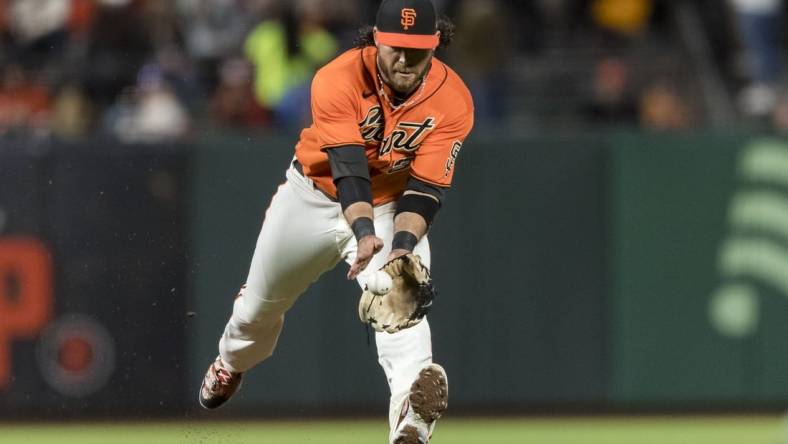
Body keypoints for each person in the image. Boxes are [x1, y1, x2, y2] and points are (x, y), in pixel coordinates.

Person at [198, 0, 473, 443]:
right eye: (396, 48)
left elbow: (426, 190)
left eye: (416, 50)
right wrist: (363, 235)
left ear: (435, 45)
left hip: (388, 205)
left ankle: (411, 421)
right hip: (312, 196)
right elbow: (348, 170)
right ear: (376, 41)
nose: (405, 59)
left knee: (402, 297)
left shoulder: (453, 99)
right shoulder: (337, 77)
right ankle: (230, 362)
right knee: (256, 312)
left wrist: (401, 246)